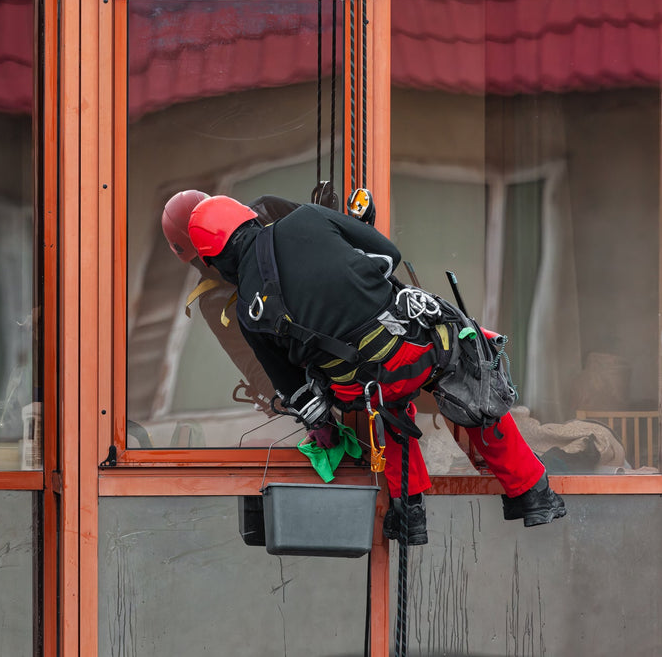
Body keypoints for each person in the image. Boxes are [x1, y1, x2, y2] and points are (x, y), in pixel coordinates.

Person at [186, 195, 567, 544]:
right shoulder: (307, 218)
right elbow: (389, 253)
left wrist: (322, 433)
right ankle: (533, 494)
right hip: (413, 351)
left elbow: (293, 389)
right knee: (469, 381)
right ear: (249, 219)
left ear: (213, 261)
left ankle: (409, 515)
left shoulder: (247, 312)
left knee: (386, 415)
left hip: (362, 388)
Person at [161, 190, 300, 410]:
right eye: (202, 258)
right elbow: (254, 363)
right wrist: (298, 402)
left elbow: (326, 234)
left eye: (216, 244)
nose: (214, 262)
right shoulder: (214, 300)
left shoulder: (267, 211)